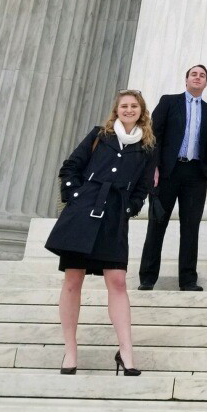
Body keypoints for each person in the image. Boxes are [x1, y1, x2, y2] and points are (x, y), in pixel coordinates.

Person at [46, 89, 157, 376]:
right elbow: (70, 167)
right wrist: (76, 197)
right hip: (84, 213)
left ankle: (127, 353)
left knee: (118, 281)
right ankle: (70, 351)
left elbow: (144, 187)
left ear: (141, 111)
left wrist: (129, 209)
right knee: (73, 279)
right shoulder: (100, 135)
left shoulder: (147, 146)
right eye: (124, 106)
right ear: (116, 110)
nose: (129, 110)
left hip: (114, 218)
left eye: (134, 106)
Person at [138, 64, 207, 292]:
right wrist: (153, 168)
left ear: (205, 83)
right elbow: (153, 136)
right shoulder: (169, 102)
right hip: (167, 172)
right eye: (194, 74)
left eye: (202, 76)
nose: (197, 78)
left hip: (195, 175)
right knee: (157, 223)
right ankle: (147, 277)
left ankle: (188, 280)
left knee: (191, 227)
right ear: (186, 80)